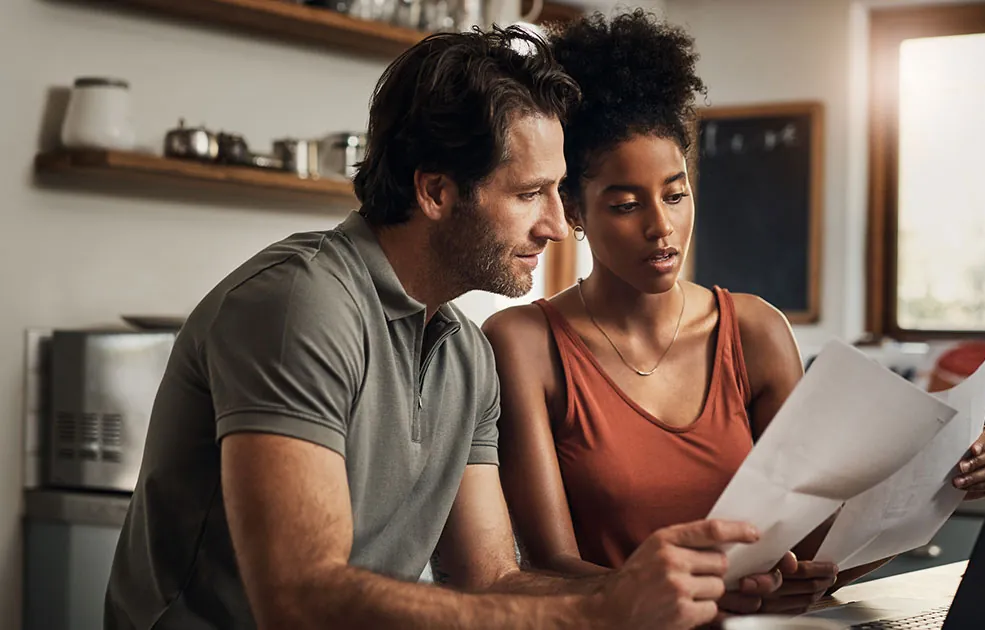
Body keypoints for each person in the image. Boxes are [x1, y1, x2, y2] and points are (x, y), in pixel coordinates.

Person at [104, 26, 781, 630]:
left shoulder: (464, 353)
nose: (553, 223)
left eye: (556, 191)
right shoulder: (300, 305)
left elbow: (492, 581)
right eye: (527, 195)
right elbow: (299, 599)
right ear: (435, 192)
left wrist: (665, 593)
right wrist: (600, 612)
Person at [483, 11, 985, 616]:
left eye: (676, 194)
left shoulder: (755, 332)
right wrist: (706, 594)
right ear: (573, 209)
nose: (662, 227)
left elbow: (816, 548)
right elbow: (549, 566)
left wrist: (943, 482)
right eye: (626, 204)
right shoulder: (524, 343)